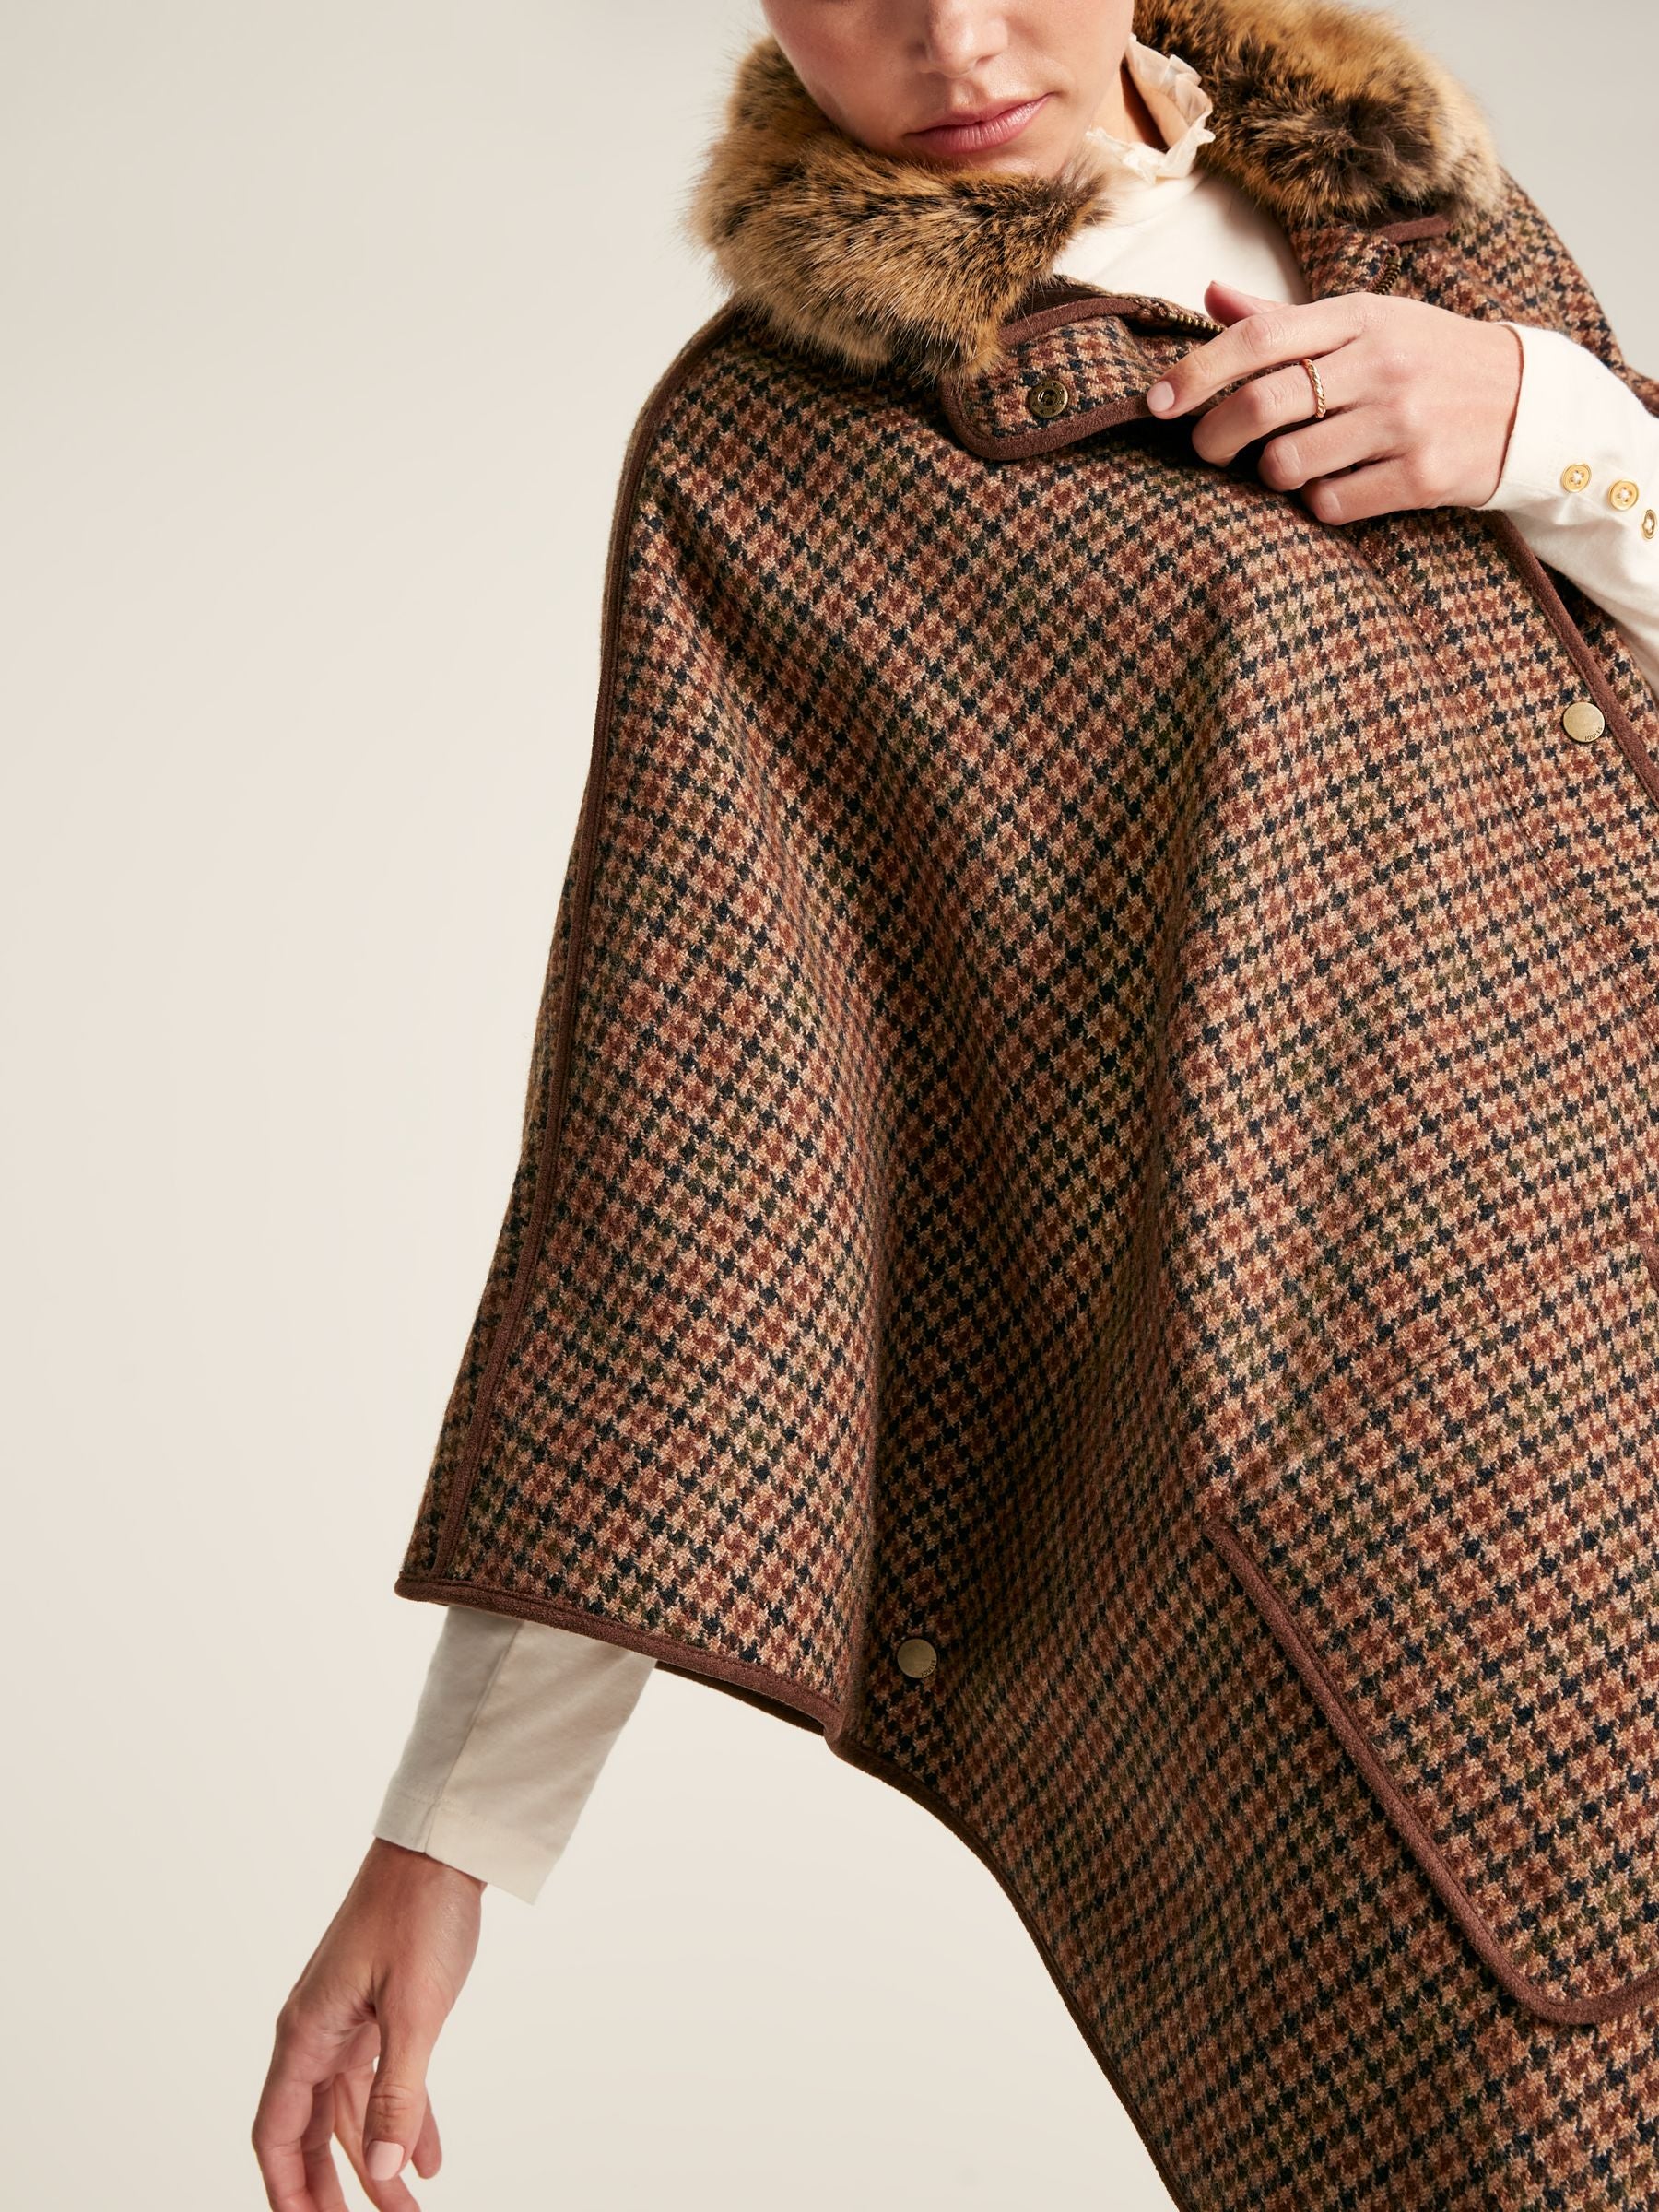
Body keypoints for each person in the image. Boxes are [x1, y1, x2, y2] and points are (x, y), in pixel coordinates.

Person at [253, 4, 1659, 2206]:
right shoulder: (776, 467)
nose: (950, 35)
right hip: (1426, 1513)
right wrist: (455, 1832)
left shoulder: (1422, 214)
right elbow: (706, 1138)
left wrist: (1550, 425)